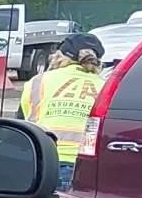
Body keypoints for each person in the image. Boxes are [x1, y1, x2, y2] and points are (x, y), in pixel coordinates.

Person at [19, 35, 105, 189]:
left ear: (59, 56)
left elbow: (23, 125)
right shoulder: (106, 88)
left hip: (45, 165)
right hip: (88, 169)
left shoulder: (38, 82)